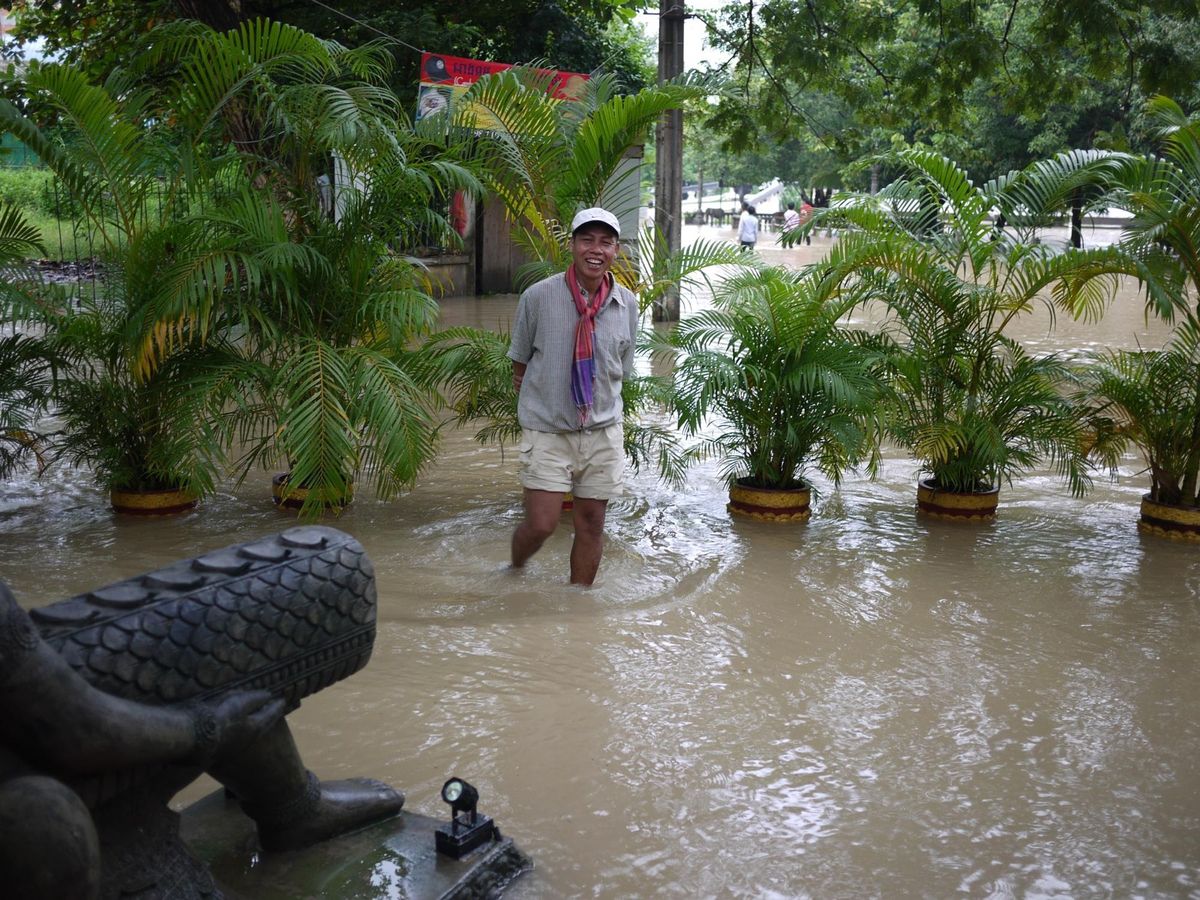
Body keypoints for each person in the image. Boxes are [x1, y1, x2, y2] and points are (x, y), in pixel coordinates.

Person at [507, 207, 640, 585]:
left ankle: (578, 607)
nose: (595, 250)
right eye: (587, 240)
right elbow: (519, 362)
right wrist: (543, 399)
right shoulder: (538, 297)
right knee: (542, 524)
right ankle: (514, 569)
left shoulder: (627, 304)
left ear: (616, 251)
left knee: (592, 524)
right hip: (548, 429)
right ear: (572, 246)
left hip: (602, 430)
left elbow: (622, 368)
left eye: (605, 242)